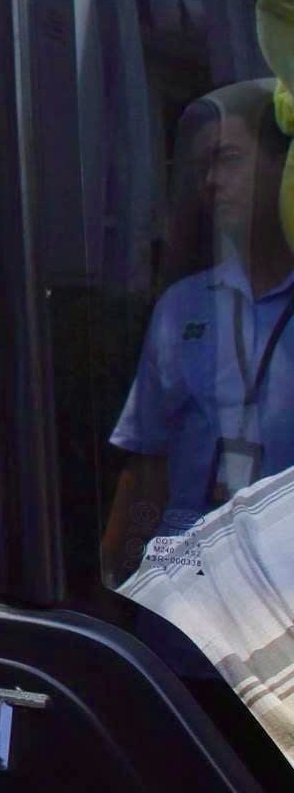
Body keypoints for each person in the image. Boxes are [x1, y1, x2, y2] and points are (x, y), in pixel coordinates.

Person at [102, 81, 294, 575]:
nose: (210, 180)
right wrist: (121, 581)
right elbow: (146, 464)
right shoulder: (181, 306)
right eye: (202, 165)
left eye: (228, 158)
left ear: (283, 166)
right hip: (184, 576)